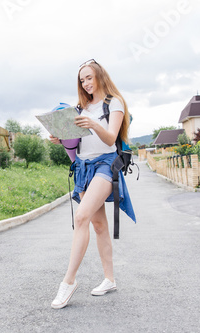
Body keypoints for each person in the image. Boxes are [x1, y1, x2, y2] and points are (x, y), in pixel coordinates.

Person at [49, 59, 135, 309]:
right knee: (98, 225)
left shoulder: (114, 102)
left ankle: (68, 281)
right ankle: (109, 279)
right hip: (84, 168)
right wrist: (61, 138)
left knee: (82, 216)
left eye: (89, 77)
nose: (86, 83)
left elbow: (110, 138)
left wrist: (94, 123)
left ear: (99, 76)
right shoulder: (80, 108)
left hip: (106, 165)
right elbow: (77, 143)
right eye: (82, 80)